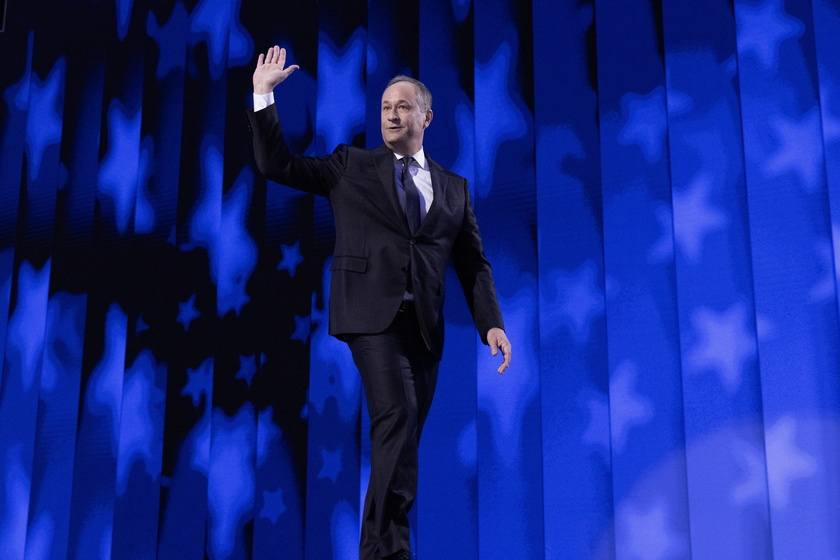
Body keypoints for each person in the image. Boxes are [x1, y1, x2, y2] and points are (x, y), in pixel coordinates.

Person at [248, 46, 512, 560]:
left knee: (406, 433)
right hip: (371, 316)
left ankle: (388, 544)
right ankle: (384, 552)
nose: (391, 114)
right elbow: (277, 164)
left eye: (403, 107)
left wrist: (491, 325)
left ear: (426, 117)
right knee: (398, 414)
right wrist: (263, 95)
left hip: (426, 328)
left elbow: (473, 263)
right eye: (386, 106)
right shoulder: (352, 164)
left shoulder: (454, 189)